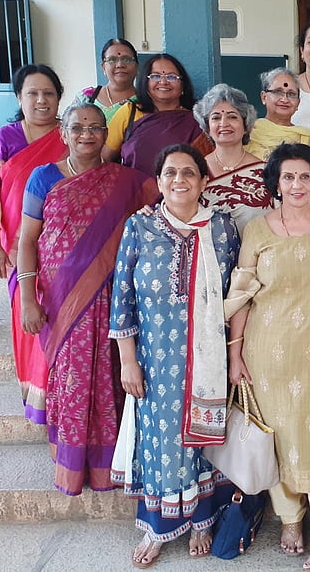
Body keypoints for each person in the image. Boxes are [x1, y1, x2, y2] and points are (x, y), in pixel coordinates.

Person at [224, 144, 310, 572]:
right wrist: (235, 357)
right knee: (278, 439)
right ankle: (290, 518)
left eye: (305, 177)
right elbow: (241, 296)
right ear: (277, 183)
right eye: (288, 177)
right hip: (268, 356)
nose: (297, 185)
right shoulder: (257, 230)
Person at [16, 103, 158, 496]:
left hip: (112, 297)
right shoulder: (43, 178)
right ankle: (73, 463)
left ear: (105, 135)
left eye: (96, 127)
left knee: (111, 379)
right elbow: (26, 240)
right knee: (74, 379)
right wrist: (28, 298)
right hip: (60, 301)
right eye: (78, 127)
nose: (87, 134)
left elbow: (166, 201)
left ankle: (110, 464)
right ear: (63, 132)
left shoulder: (127, 181)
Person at [109, 144, 239, 568]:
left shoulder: (222, 228)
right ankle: (157, 526)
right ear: (159, 181)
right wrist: (128, 360)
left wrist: (236, 353)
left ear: (204, 181)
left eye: (188, 173)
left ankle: (202, 517)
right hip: (155, 358)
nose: (179, 180)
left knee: (203, 435)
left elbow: (240, 295)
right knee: (161, 438)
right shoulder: (139, 228)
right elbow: (122, 297)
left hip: (209, 356)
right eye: (170, 173)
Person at [0, 63, 67, 424]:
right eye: (32, 93)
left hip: (64, 251)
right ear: (19, 98)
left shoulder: (72, 135)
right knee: (29, 321)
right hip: (18, 250)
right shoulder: (5, 139)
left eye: (48, 93)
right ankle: (38, 400)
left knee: (61, 323)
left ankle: (65, 399)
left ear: (59, 97)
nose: (41, 100)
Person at [103, 53, 212, 174]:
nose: (163, 82)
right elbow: (104, 157)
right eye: (155, 76)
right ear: (145, 82)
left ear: (183, 85)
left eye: (171, 77)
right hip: (136, 190)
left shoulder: (196, 118)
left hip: (182, 190)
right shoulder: (130, 112)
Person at [193, 83, 273, 233]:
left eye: (232, 117)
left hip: (258, 253)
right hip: (208, 254)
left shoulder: (266, 172)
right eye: (216, 117)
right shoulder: (194, 171)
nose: (224, 123)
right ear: (207, 127)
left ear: (245, 125)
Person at [244, 67, 310, 160]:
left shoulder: (307, 138)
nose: (285, 99)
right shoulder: (248, 132)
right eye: (278, 92)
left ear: (298, 103)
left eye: (291, 94)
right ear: (264, 97)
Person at [73, 38, 138, 120]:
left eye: (126, 59)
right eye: (112, 60)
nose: (120, 65)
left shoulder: (147, 102)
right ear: (103, 67)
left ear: (137, 67)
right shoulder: (85, 98)